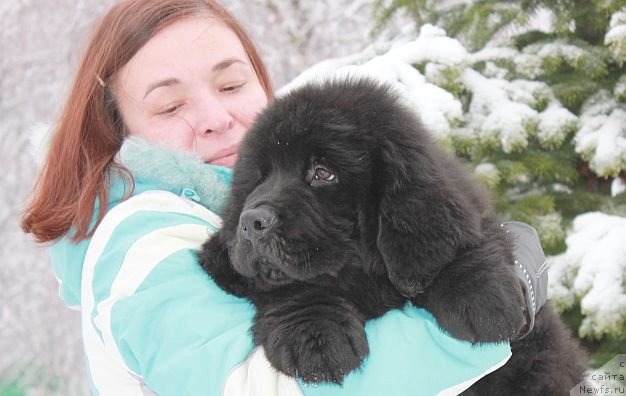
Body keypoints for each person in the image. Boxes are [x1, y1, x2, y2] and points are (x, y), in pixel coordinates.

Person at [21, 0, 523, 395]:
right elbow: (260, 388)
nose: (214, 115)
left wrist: (463, 265)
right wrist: (496, 315)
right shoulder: (140, 236)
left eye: (232, 82)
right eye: (170, 105)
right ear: (119, 132)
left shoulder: (243, 198)